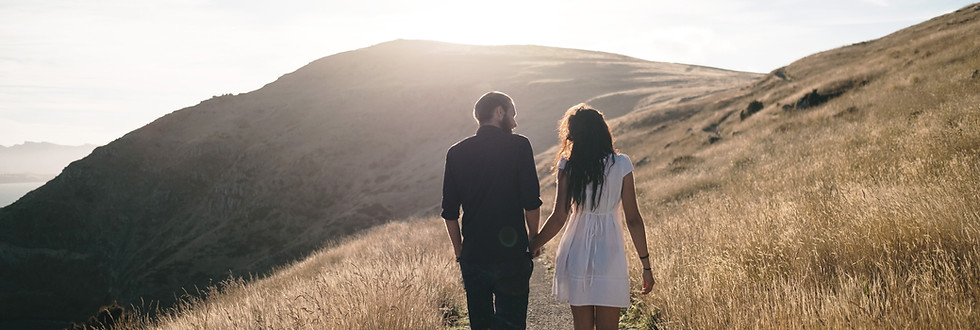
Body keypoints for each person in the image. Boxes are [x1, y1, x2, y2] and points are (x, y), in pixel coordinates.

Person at [530, 103, 655, 330]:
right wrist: (646, 266)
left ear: (574, 134)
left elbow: (560, 216)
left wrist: (534, 244)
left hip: (576, 250)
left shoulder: (567, 165)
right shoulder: (621, 164)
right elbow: (634, 219)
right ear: (602, 131)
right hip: (610, 254)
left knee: (582, 326)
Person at [442, 91, 543, 329]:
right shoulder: (519, 145)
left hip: (474, 256)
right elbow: (531, 202)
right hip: (512, 255)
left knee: (480, 324)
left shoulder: (456, 152)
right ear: (500, 112)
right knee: (512, 324)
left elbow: (449, 213)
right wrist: (533, 238)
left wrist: (460, 252)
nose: (515, 122)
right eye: (512, 114)